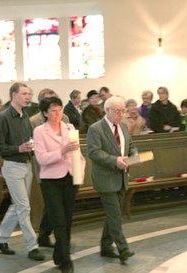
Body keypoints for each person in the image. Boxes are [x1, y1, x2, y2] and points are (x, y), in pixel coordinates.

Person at [0, 82, 45, 261]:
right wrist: (18, 149)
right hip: (12, 165)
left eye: (29, 94)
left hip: (26, 165)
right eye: (24, 94)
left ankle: (0, 239)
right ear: (14, 95)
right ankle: (32, 246)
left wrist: (32, 147)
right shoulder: (4, 117)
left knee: (17, 206)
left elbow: (28, 141)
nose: (28, 97)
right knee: (24, 207)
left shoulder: (25, 116)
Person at [34, 97, 85, 273]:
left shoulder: (69, 128)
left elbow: (78, 154)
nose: (57, 114)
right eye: (53, 111)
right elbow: (41, 158)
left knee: (68, 219)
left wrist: (80, 173)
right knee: (58, 220)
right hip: (51, 181)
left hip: (70, 178)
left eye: (60, 110)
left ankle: (60, 253)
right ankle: (66, 261)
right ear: (45, 113)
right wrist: (62, 151)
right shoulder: (40, 131)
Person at [87, 96, 137, 264]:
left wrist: (134, 155)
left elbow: (130, 145)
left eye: (123, 111)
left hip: (121, 177)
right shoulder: (96, 129)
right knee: (115, 215)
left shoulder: (123, 126)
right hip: (105, 178)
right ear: (107, 110)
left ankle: (106, 246)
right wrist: (114, 160)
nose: (121, 114)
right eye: (117, 111)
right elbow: (94, 153)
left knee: (113, 214)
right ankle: (123, 248)